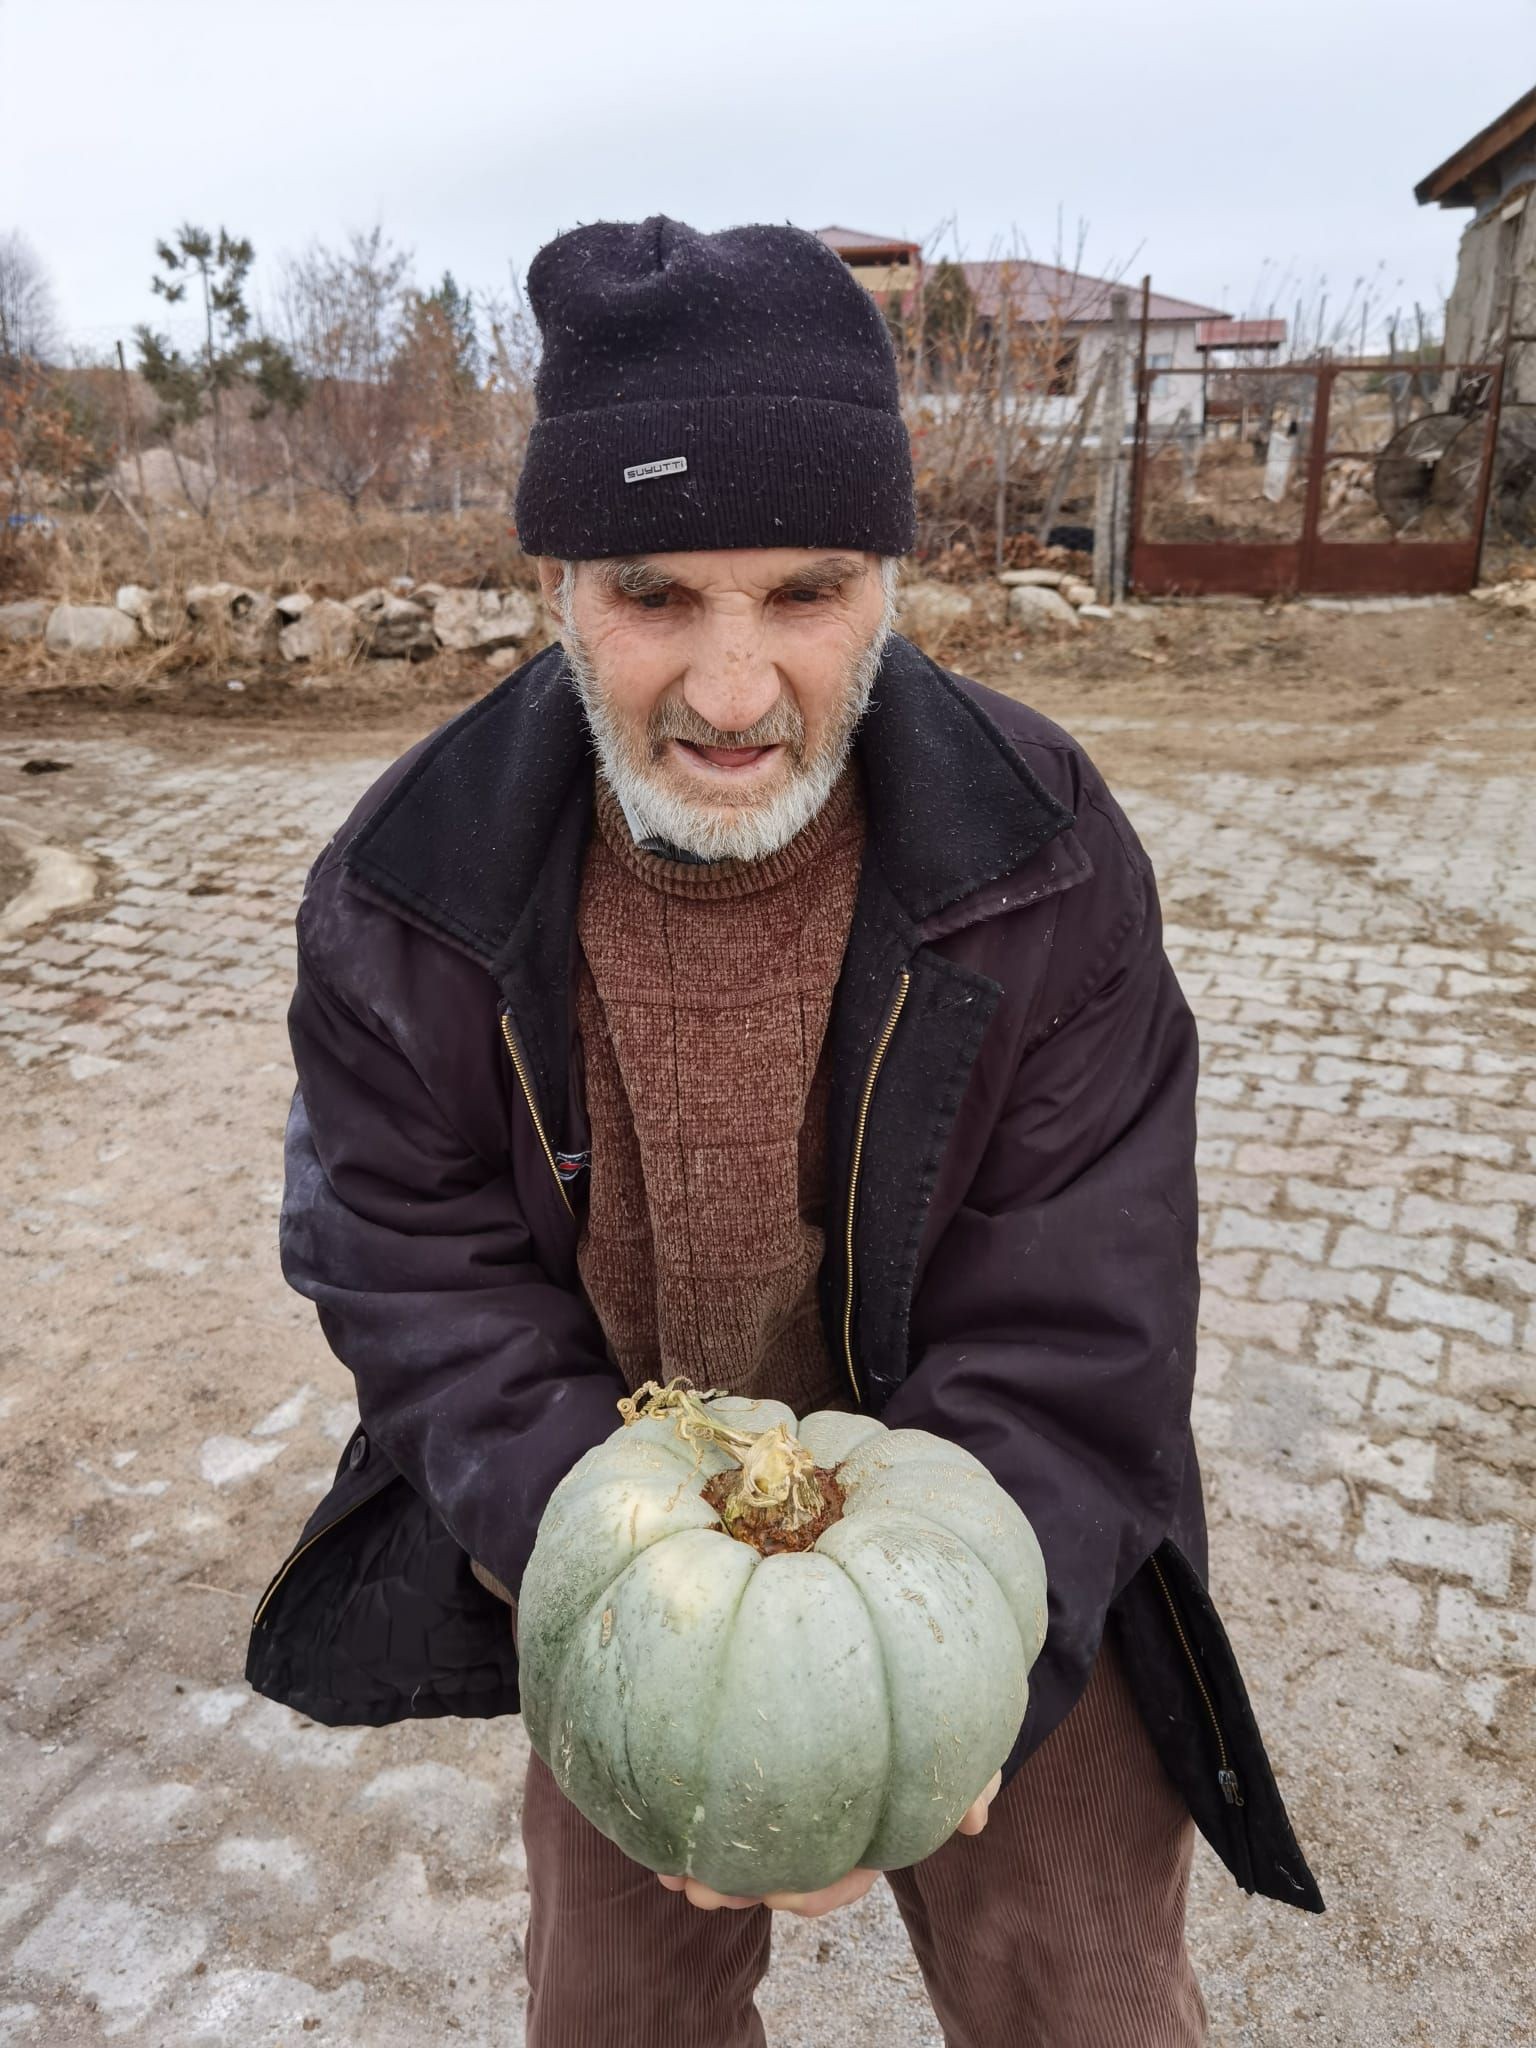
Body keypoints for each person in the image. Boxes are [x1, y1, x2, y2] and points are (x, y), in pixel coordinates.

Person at [246, 215, 1321, 2047]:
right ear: (562, 582)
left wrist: (962, 1666)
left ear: (888, 578)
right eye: (656, 594)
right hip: (639, 1549)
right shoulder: (405, 891)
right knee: (609, 2013)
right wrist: (634, 1602)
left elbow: (1088, 1317)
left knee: (1088, 2000)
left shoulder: (1043, 853)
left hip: (989, 1532)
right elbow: (415, 1278)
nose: (732, 693)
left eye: (805, 592)